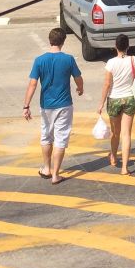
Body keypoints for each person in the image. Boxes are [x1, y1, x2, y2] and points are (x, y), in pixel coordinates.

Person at [23, 27, 83, 184]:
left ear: (49, 41)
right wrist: (80, 88)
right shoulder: (69, 59)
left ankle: (46, 168)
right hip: (64, 105)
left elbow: (33, 84)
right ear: (63, 41)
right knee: (61, 138)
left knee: (46, 137)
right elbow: (78, 77)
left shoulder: (39, 60)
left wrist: (26, 106)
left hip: (46, 106)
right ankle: (56, 175)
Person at [98, 33, 135, 175]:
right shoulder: (134, 60)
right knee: (126, 134)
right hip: (130, 99)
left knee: (115, 133)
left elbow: (107, 84)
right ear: (128, 46)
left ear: (115, 46)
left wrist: (100, 104)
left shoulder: (110, 63)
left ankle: (113, 157)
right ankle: (125, 168)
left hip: (114, 100)